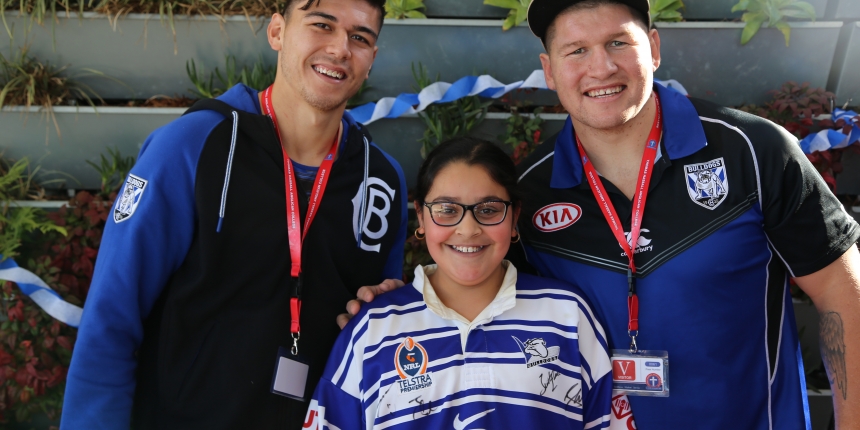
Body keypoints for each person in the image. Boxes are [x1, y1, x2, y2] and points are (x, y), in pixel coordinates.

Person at [514, 0, 860, 428]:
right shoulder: (528, 193)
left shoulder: (752, 151)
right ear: (549, 70)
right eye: (577, 50)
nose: (601, 67)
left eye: (618, 42)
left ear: (654, 48)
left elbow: (842, 292)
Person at [61, 0, 407, 428]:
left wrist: (382, 309)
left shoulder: (384, 180)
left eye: (360, 37)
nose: (340, 49)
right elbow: (112, 317)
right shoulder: (192, 145)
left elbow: (379, 343)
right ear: (278, 32)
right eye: (322, 25)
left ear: (372, 59)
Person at [307, 138, 615, 429]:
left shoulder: (567, 315)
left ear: (514, 217)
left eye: (489, 210)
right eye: (446, 210)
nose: (468, 229)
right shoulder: (373, 328)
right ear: (422, 219)